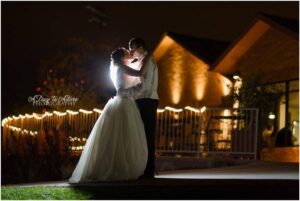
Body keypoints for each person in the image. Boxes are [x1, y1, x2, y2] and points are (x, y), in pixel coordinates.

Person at [69, 47, 149, 183]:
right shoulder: (122, 68)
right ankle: (120, 167)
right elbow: (140, 73)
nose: (129, 56)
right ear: (122, 58)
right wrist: (146, 58)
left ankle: (114, 165)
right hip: (124, 103)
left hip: (119, 101)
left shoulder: (115, 67)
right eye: (126, 54)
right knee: (125, 136)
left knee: (116, 137)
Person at [129, 37, 159, 179]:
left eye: (132, 47)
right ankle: (145, 168)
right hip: (143, 99)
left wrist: (130, 90)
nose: (131, 51)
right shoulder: (141, 61)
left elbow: (145, 86)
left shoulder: (148, 61)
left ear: (140, 47)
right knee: (142, 135)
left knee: (147, 135)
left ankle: (149, 170)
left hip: (147, 100)